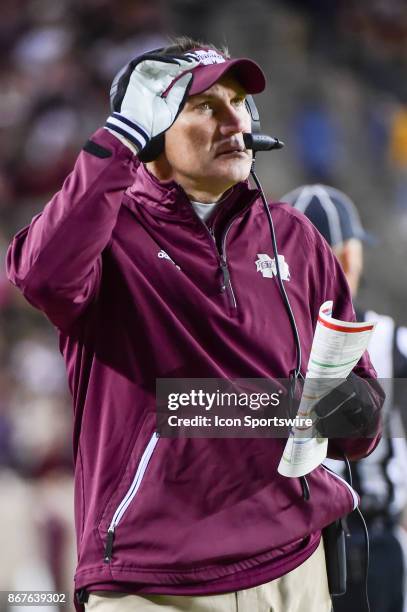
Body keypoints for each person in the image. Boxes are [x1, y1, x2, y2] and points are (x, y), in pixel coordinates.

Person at [6, 38, 384, 612]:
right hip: (153, 583)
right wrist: (118, 137)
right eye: (206, 105)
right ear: (150, 128)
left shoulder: (296, 238)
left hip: (295, 568)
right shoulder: (107, 233)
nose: (237, 119)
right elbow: (42, 277)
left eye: (240, 103)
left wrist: (343, 406)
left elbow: (362, 413)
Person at [282, 183, 407, 612]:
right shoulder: (392, 340)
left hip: (287, 549)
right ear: (350, 257)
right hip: (374, 543)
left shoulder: (265, 344)